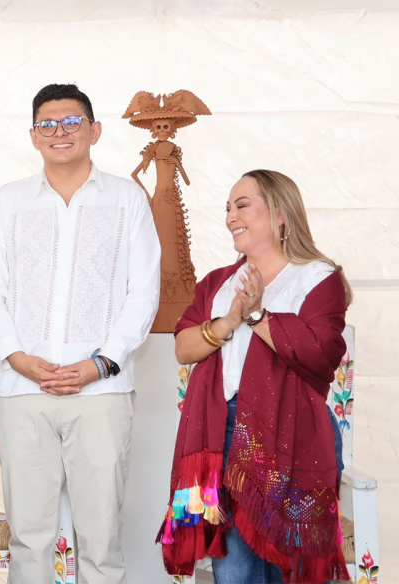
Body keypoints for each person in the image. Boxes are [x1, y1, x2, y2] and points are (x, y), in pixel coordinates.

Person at [0, 84, 161, 583]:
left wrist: (101, 363)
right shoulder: (10, 202)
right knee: (28, 537)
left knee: (102, 536)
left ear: (94, 131)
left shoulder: (126, 199)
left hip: (101, 391)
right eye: (47, 124)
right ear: (33, 136)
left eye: (72, 121)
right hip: (22, 388)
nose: (60, 132)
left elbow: (144, 292)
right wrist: (16, 357)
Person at [158, 170, 350, 583]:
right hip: (220, 433)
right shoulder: (218, 283)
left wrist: (259, 315)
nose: (231, 217)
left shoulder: (317, 278)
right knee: (235, 570)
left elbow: (322, 356)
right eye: (228, 208)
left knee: (291, 566)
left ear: (280, 214)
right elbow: (184, 347)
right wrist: (228, 321)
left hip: (294, 436)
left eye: (242, 206)